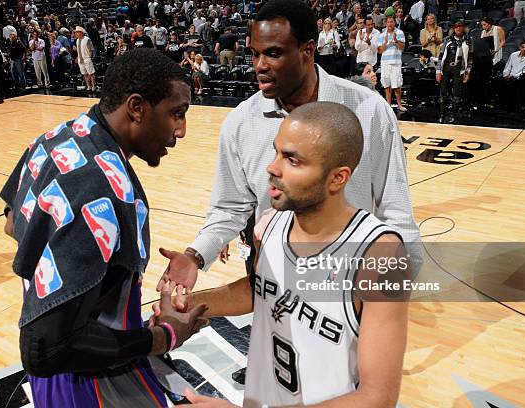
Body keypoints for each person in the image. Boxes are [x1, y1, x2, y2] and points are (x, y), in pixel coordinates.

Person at [158, 0, 421, 304]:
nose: (260, 65)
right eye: (255, 54)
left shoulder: (370, 110)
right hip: (276, 287)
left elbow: (397, 211)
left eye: (273, 53)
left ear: (308, 51)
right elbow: (229, 208)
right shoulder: (241, 122)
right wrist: (195, 256)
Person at [155, 102, 410, 407]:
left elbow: (376, 398)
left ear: (337, 178)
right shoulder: (271, 222)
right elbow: (260, 288)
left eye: (292, 160)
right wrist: (190, 304)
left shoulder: (378, 256)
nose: (272, 167)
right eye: (276, 152)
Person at [0, 49, 206, 407]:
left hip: (57, 377)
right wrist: (165, 335)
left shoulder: (55, 138)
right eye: (177, 113)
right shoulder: (102, 193)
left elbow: (11, 224)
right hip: (92, 381)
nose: (181, 130)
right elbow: (45, 349)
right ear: (137, 107)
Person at [436, 20, 472, 123]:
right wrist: (438, 71)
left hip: (459, 68)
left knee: (457, 92)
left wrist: (467, 72)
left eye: (460, 26)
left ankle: (453, 114)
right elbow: (441, 56)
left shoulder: (468, 40)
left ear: (464, 28)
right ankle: (442, 114)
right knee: (443, 91)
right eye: (456, 27)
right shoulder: (447, 40)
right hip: (446, 67)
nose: (458, 29)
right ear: (453, 29)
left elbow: (470, 58)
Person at [378, 15, 407, 111]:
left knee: (397, 85)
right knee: (387, 85)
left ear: (394, 23)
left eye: (392, 22)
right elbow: (380, 51)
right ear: (386, 23)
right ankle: (388, 105)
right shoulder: (382, 35)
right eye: (388, 22)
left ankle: (399, 105)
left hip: (395, 62)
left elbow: (402, 47)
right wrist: (385, 43)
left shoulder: (400, 32)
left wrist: (396, 41)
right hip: (385, 63)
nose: (390, 24)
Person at [501, 39, 525, 112]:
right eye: (523, 47)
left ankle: (517, 107)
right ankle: (503, 106)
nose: (524, 49)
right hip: (510, 76)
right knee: (498, 80)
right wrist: (505, 75)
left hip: (520, 78)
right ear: (519, 47)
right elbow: (508, 66)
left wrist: (513, 76)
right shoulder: (513, 55)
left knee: (521, 82)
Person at [74, 26, 96, 92]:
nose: (76, 33)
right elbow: (79, 51)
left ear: (81, 33)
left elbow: (91, 49)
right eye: (76, 32)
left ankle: (93, 86)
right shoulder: (77, 40)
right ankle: (88, 86)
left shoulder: (87, 39)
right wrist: (77, 57)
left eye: (77, 32)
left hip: (87, 59)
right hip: (80, 60)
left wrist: (90, 58)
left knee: (91, 73)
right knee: (85, 74)